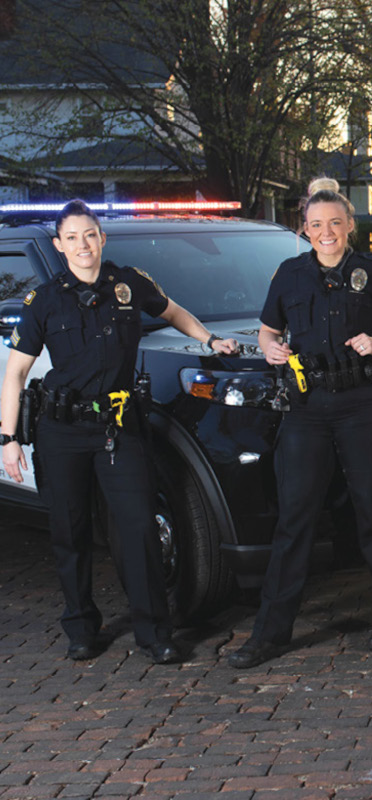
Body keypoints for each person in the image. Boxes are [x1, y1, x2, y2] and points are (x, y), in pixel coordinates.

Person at [0, 199, 240, 664]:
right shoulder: (44, 300)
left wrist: (208, 339)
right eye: (72, 238)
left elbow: (173, 311)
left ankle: (155, 633)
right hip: (62, 429)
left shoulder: (128, 284)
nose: (83, 244)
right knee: (70, 532)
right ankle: (80, 627)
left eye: (89, 234)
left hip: (118, 427)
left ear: (101, 237)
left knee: (138, 530)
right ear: (60, 244)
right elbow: (15, 373)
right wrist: (8, 439)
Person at [226, 178, 372, 668]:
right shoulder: (289, 275)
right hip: (308, 407)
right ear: (305, 229)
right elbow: (269, 330)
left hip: (362, 404)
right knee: (294, 520)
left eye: (335, 223)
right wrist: (271, 347)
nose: (326, 232)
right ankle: (270, 633)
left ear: (349, 226)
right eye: (316, 225)